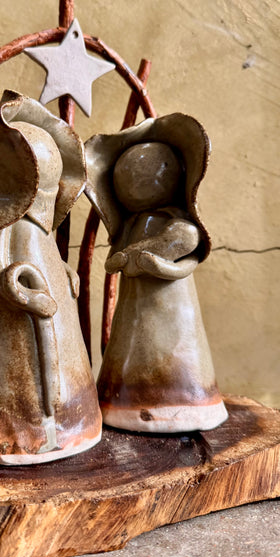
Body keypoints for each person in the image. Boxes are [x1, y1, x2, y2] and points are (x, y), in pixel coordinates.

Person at [0, 90, 101, 464]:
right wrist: (24, 295)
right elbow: (2, 271)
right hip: (22, 318)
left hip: (50, 305)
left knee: (62, 370)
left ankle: (70, 426)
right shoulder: (7, 229)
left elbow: (40, 261)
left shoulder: (42, 232)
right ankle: (15, 435)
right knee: (20, 370)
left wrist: (64, 273)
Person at [85, 114, 228, 433]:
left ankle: (188, 404)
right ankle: (124, 403)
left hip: (176, 309)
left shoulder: (179, 225)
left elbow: (187, 260)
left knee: (179, 351)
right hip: (133, 308)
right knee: (131, 348)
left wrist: (162, 266)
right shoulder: (129, 227)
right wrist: (126, 260)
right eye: (126, 176)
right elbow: (112, 262)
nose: (137, 182)